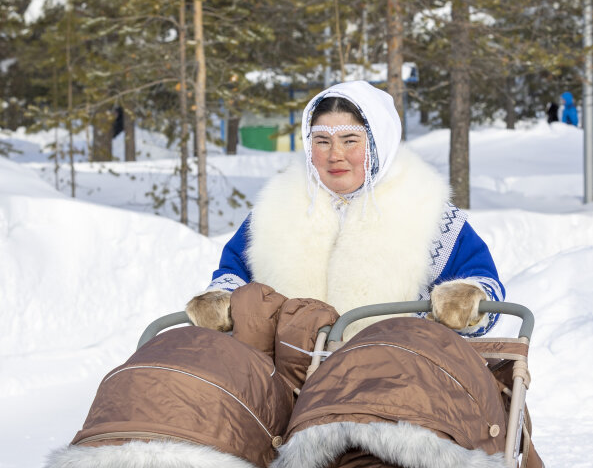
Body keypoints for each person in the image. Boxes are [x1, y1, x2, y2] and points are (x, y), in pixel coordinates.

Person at [186, 79, 505, 341]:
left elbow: (485, 286)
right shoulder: (276, 209)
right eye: (322, 141)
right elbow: (233, 273)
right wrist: (221, 299)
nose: (334, 155)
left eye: (350, 140)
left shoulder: (427, 212)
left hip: (395, 378)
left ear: (378, 143)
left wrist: (466, 298)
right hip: (286, 379)